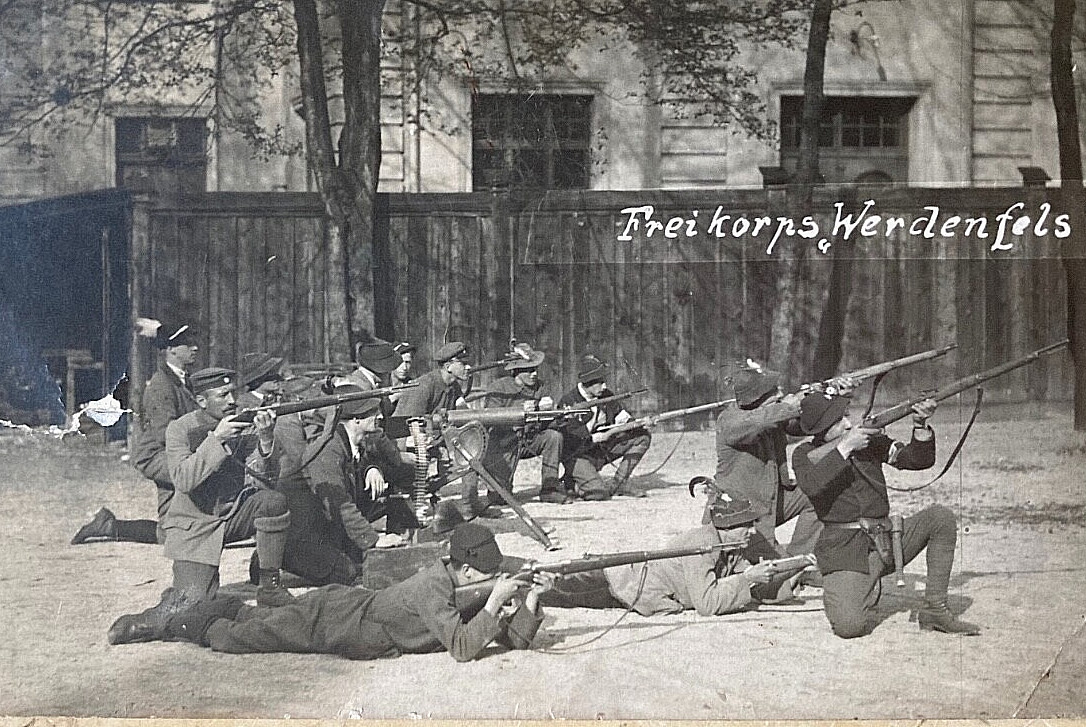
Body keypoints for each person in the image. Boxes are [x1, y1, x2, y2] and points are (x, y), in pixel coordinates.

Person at [157, 522, 550, 662]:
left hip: (355, 611)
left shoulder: (460, 584)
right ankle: (182, 624)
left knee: (264, 620)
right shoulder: (434, 589)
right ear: (464, 569)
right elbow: (464, 649)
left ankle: (225, 606)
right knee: (242, 638)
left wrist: (531, 599)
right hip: (342, 620)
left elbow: (513, 640)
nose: (490, 581)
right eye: (484, 575)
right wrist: (496, 601)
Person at [792, 392, 981, 638]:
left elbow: (916, 461)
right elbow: (812, 486)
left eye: (846, 416)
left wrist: (920, 425)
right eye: (839, 421)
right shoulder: (804, 454)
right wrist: (845, 448)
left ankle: (935, 609)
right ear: (821, 429)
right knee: (849, 627)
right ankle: (860, 584)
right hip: (846, 550)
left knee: (940, 518)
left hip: (888, 539)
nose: (848, 424)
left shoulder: (869, 442)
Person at [540, 492, 811, 615]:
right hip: (622, 587)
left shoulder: (730, 546)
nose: (753, 531)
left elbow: (748, 584)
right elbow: (708, 604)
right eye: (747, 526)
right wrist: (748, 578)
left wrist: (788, 575)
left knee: (550, 584)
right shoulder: (703, 545)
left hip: (637, 587)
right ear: (728, 527)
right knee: (551, 589)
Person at [162, 366, 294, 607]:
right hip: (196, 524)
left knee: (273, 502)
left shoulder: (243, 422)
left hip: (234, 513)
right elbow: (183, 480)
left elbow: (267, 480)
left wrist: (266, 439)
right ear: (202, 400)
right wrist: (217, 439)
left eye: (232, 392)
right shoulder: (180, 429)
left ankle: (270, 586)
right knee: (192, 605)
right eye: (222, 395)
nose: (232, 401)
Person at [72, 317, 199, 545]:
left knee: (170, 534)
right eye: (186, 344)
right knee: (201, 471)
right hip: (156, 456)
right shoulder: (162, 386)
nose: (194, 347)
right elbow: (166, 434)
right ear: (171, 350)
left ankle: (109, 525)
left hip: (174, 452)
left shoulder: (182, 381)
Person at [301, 385, 418, 572]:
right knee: (347, 573)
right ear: (356, 419)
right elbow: (341, 504)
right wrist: (374, 540)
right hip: (313, 533)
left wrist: (372, 468)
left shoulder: (355, 441)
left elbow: (373, 459)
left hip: (334, 526)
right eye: (373, 412)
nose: (380, 415)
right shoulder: (329, 450)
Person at [714, 363, 822, 561]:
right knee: (780, 587)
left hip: (771, 501)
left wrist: (827, 397)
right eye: (774, 390)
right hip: (742, 513)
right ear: (758, 400)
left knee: (818, 490)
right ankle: (790, 567)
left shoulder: (769, 413)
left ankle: (798, 560)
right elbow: (759, 422)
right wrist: (788, 407)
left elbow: (802, 427)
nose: (781, 391)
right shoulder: (730, 420)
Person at [481, 345, 567, 506]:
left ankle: (550, 490)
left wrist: (552, 412)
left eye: (535, 369)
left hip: (530, 439)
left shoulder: (541, 387)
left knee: (553, 437)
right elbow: (490, 420)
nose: (534, 374)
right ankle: (500, 488)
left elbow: (549, 423)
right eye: (529, 370)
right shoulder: (499, 388)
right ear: (516, 371)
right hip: (504, 443)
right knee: (499, 499)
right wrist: (519, 411)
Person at [556, 355, 650, 500]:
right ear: (587, 383)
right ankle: (572, 483)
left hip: (601, 450)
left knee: (641, 436)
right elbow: (568, 441)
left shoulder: (605, 395)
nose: (604, 386)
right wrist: (593, 425)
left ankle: (619, 484)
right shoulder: (568, 402)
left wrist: (639, 422)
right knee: (598, 494)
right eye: (599, 383)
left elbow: (622, 417)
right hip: (578, 456)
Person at [393, 341, 472, 418]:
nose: (468, 367)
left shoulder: (454, 387)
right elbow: (404, 424)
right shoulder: (423, 387)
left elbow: (463, 414)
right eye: (463, 364)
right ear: (448, 366)